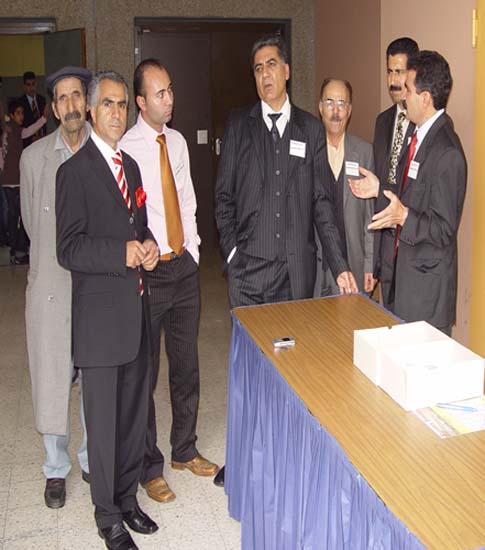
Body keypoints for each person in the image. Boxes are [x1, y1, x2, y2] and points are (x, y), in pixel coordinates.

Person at [214, 35, 357, 486]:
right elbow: (223, 198)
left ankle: (285, 458)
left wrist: (340, 265)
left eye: (272, 64)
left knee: (292, 371)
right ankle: (244, 459)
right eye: (257, 68)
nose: (265, 75)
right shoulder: (238, 125)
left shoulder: (310, 130)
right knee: (249, 371)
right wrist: (233, 255)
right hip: (248, 274)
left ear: (287, 71)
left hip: (294, 275)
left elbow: (321, 205)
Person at [56, 70, 159, 550]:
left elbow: (139, 227)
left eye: (122, 104)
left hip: (135, 314)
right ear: (92, 111)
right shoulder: (73, 173)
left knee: (133, 417)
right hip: (99, 324)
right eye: (108, 104)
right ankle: (107, 516)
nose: (117, 113)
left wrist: (149, 245)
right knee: (103, 426)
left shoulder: (130, 167)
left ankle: (127, 498)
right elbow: (69, 248)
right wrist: (122, 252)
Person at [120, 59, 219, 504]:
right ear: (141, 102)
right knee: (145, 374)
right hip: (149, 272)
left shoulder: (176, 142)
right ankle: (149, 467)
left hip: (183, 266)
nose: (169, 99)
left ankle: (185, 449)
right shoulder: (126, 148)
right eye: (160, 93)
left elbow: (187, 199)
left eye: (171, 90)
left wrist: (192, 249)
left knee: (186, 365)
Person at [350, 51, 466, 336]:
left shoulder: (447, 152)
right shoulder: (416, 136)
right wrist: (379, 189)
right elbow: (408, 195)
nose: (403, 97)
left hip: (425, 295)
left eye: (409, 90)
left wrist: (403, 216)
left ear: (425, 98)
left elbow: (443, 229)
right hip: (401, 280)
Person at [20, 66, 92, 510]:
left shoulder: (104, 151)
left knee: (94, 374)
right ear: (53, 108)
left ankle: (90, 456)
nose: (70, 105)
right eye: (62, 98)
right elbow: (32, 224)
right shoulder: (34, 159)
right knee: (51, 373)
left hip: (92, 286)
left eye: (76, 95)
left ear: (87, 101)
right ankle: (55, 467)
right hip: (50, 281)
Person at [315, 78, 375, 295]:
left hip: (353, 262)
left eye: (342, 104)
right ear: (320, 107)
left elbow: (370, 216)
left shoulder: (364, 153)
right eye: (329, 102)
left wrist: (370, 264)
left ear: (349, 110)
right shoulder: (308, 151)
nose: (335, 111)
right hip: (315, 264)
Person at [2, 97, 47, 264]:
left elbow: (28, 131)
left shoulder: (17, 130)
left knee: (20, 215)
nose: (21, 116)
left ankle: (18, 250)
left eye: (22, 113)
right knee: (14, 217)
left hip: (17, 180)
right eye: (18, 113)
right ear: (12, 115)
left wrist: (43, 119)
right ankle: (14, 252)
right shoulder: (7, 130)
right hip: (10, 181)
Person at [373, 37, 419, 189]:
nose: (392, 81)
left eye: (399, 72)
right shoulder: (382, 121)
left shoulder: (423, 122)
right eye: (389, 72)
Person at [19, 71, 47, 147]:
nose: (31, 88)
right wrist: (32, 138)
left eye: (33, 84)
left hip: (44, 141)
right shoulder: (19, 103)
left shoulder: (42, 100)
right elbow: (20, 129)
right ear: (24, 86)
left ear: (36, 84)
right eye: (28, 85)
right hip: (28, 143)